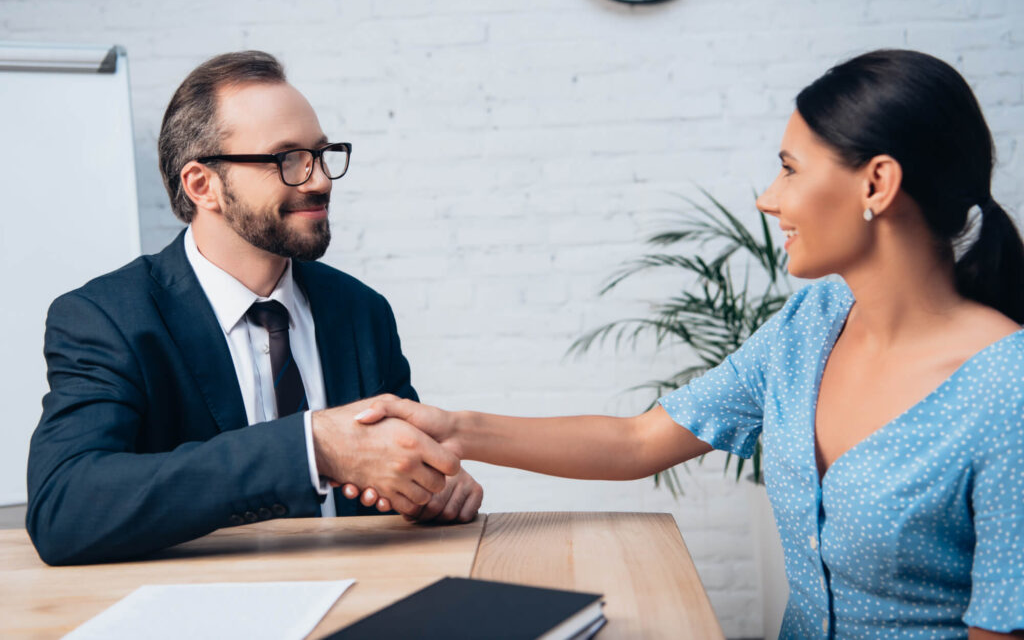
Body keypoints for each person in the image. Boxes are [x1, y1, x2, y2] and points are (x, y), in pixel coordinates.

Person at [350, 50, 1024, 639]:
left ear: (876, 183)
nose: (768, 198)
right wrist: (455, 429)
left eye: (790, 169)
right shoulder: (812, 323)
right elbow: (639, 442)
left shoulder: (1008, 391)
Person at [26, 51, 482, 567]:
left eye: (320, 153)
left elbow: (401, 476)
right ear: (203, 185)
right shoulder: (109, 319)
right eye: (286, 159)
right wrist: (311, 448)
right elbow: (64, 507)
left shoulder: (361, 312)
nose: (320, 180)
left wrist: (430, 487)